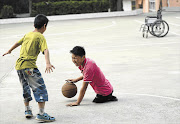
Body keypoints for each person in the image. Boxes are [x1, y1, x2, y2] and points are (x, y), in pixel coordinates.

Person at [2, 14, 55, 122]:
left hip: (19, 67)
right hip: (29, 67)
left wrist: (9, 50)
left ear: (34, 24)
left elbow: (17, 42)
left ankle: (27, 110)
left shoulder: (28, 34)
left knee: (25, 87)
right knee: (40, 88)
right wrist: (48, 63)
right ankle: (41, 114)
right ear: (44, 26)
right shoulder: (40, 36)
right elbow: (45, 50)